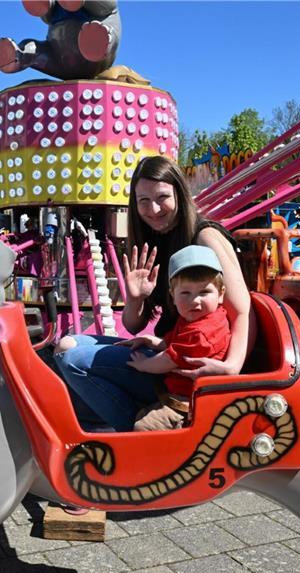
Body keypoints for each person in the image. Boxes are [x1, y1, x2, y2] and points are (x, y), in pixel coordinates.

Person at [54, 156, 252, 432]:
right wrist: (136, 298)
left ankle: (138, 437)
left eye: (162, 197)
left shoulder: (204, 238)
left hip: (186, 369)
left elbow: (242, 310)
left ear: (179, 194)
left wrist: (232, 368)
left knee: (73, 361)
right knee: (65, 345)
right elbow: (133, 325)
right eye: (144, 201)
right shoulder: (151, 240)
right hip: (167, 348)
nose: (154, 209)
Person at [127, 245, 231, 431]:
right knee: (141, 414)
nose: (195, 300)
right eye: (185, 293)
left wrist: (143, 364)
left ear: (221, 294)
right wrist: (152, 341)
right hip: (179, 393)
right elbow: (174, 344)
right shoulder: (196, 319)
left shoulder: (201, 332)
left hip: (189, 403)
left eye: (204, 292)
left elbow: (167, 361)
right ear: (172, 296)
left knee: (143, 427)